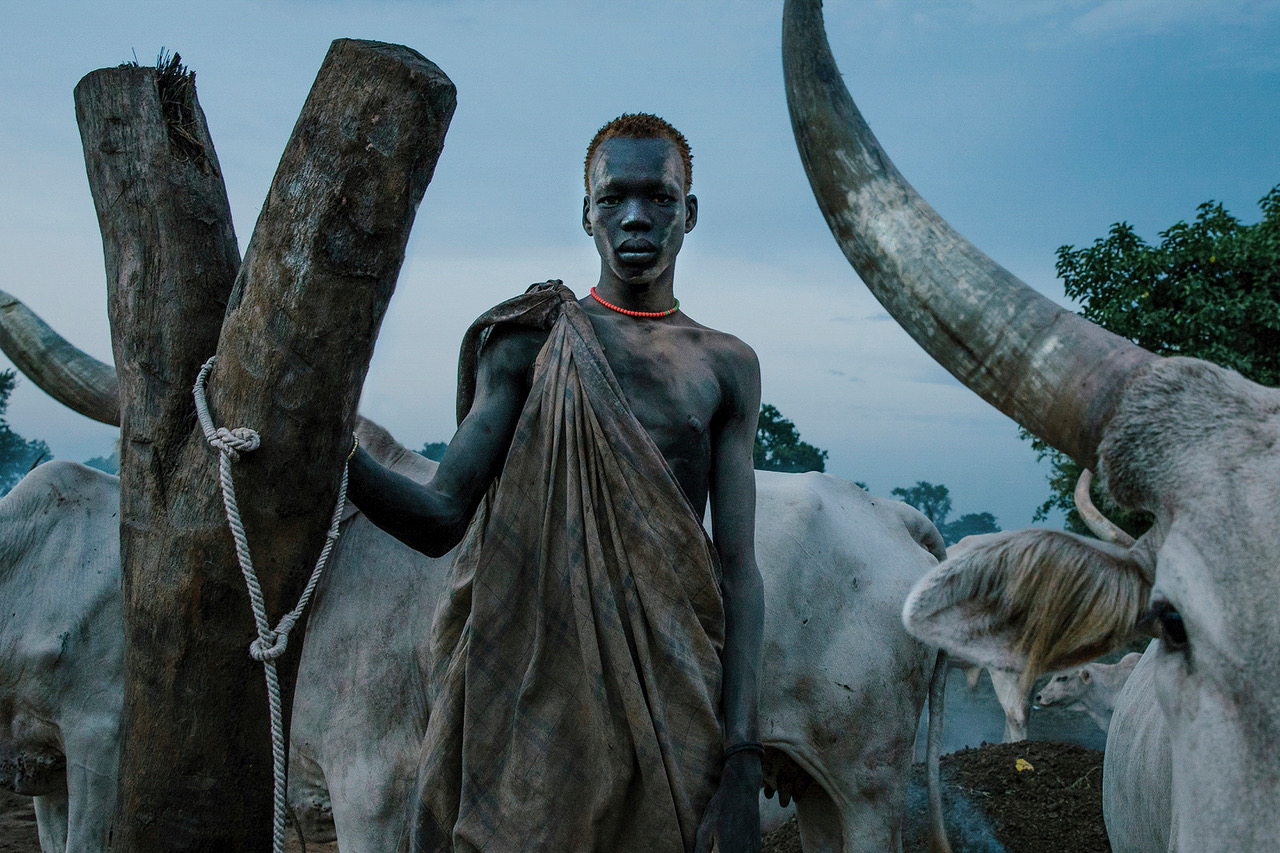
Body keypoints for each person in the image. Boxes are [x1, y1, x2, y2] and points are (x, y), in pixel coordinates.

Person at [349, 113, 763, 853]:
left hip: (675, 705)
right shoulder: (529, 343)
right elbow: (443, 514)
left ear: (689, 212)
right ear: (587, 213)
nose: (636, 217)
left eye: (660, 197)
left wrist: (741, 757)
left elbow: (737, 574)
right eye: (614, 198)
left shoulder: (727, 364)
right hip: (532, 703)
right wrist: (332, 457)